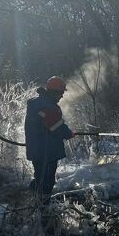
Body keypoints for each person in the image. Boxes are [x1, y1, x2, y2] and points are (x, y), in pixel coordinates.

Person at [24, 76, 74, 204]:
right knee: (47, 181)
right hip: (46, 151)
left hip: (38, 150)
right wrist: (68, 133)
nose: (62, 96)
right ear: (54, 92)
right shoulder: (47, 106)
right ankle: (43, 208)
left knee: (40, 177)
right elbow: (56, 127)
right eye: (61, 93)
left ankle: (30, 198)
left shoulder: (38, 103)